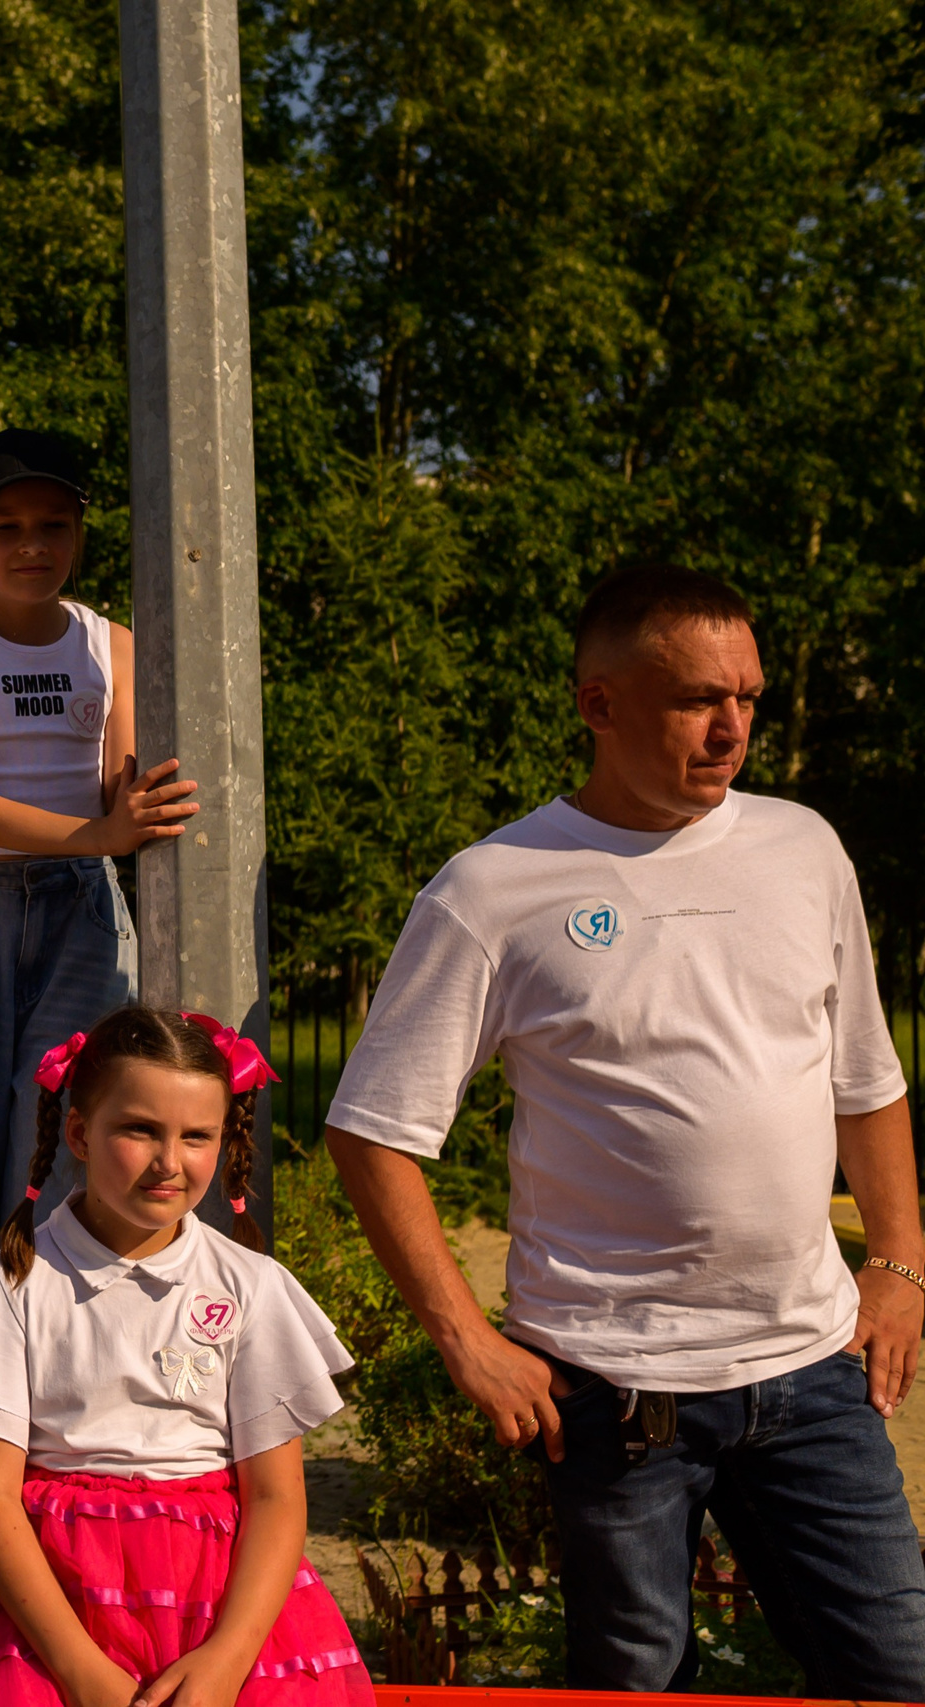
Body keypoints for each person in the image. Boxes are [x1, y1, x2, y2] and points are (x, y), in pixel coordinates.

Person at [324, 565, 925, 1696]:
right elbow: (372, 1132)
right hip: (614, 1390)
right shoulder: (493, 888)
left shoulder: (804, 849)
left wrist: (898, 1262)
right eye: (698, 699)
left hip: (812, 1369)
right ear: (598, 703)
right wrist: (465, 1340)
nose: (731, 728)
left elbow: (866, 1078)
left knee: (898, 1671)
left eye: (747, 697)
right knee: (633, 1686)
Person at [0, 1006, 371, 1707]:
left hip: (220, 1610)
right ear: (80, 1133)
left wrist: (226, 1661)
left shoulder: (252, 1287)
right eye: (140, 1129)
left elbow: (275, 1497)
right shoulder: (12, 1288)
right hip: (47, 1616)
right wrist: (78, 1669)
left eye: (196, 1135)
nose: (169, 1161)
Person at [0, 428, 199, 1282]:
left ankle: (54, 1312)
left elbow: (119, 789)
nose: (31, 545)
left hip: (82, 905)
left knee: (67, 1121)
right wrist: (104, 835)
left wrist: (127, 815)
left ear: (78, 534)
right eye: (6, 527)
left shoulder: (113, 644)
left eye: (53, 525)